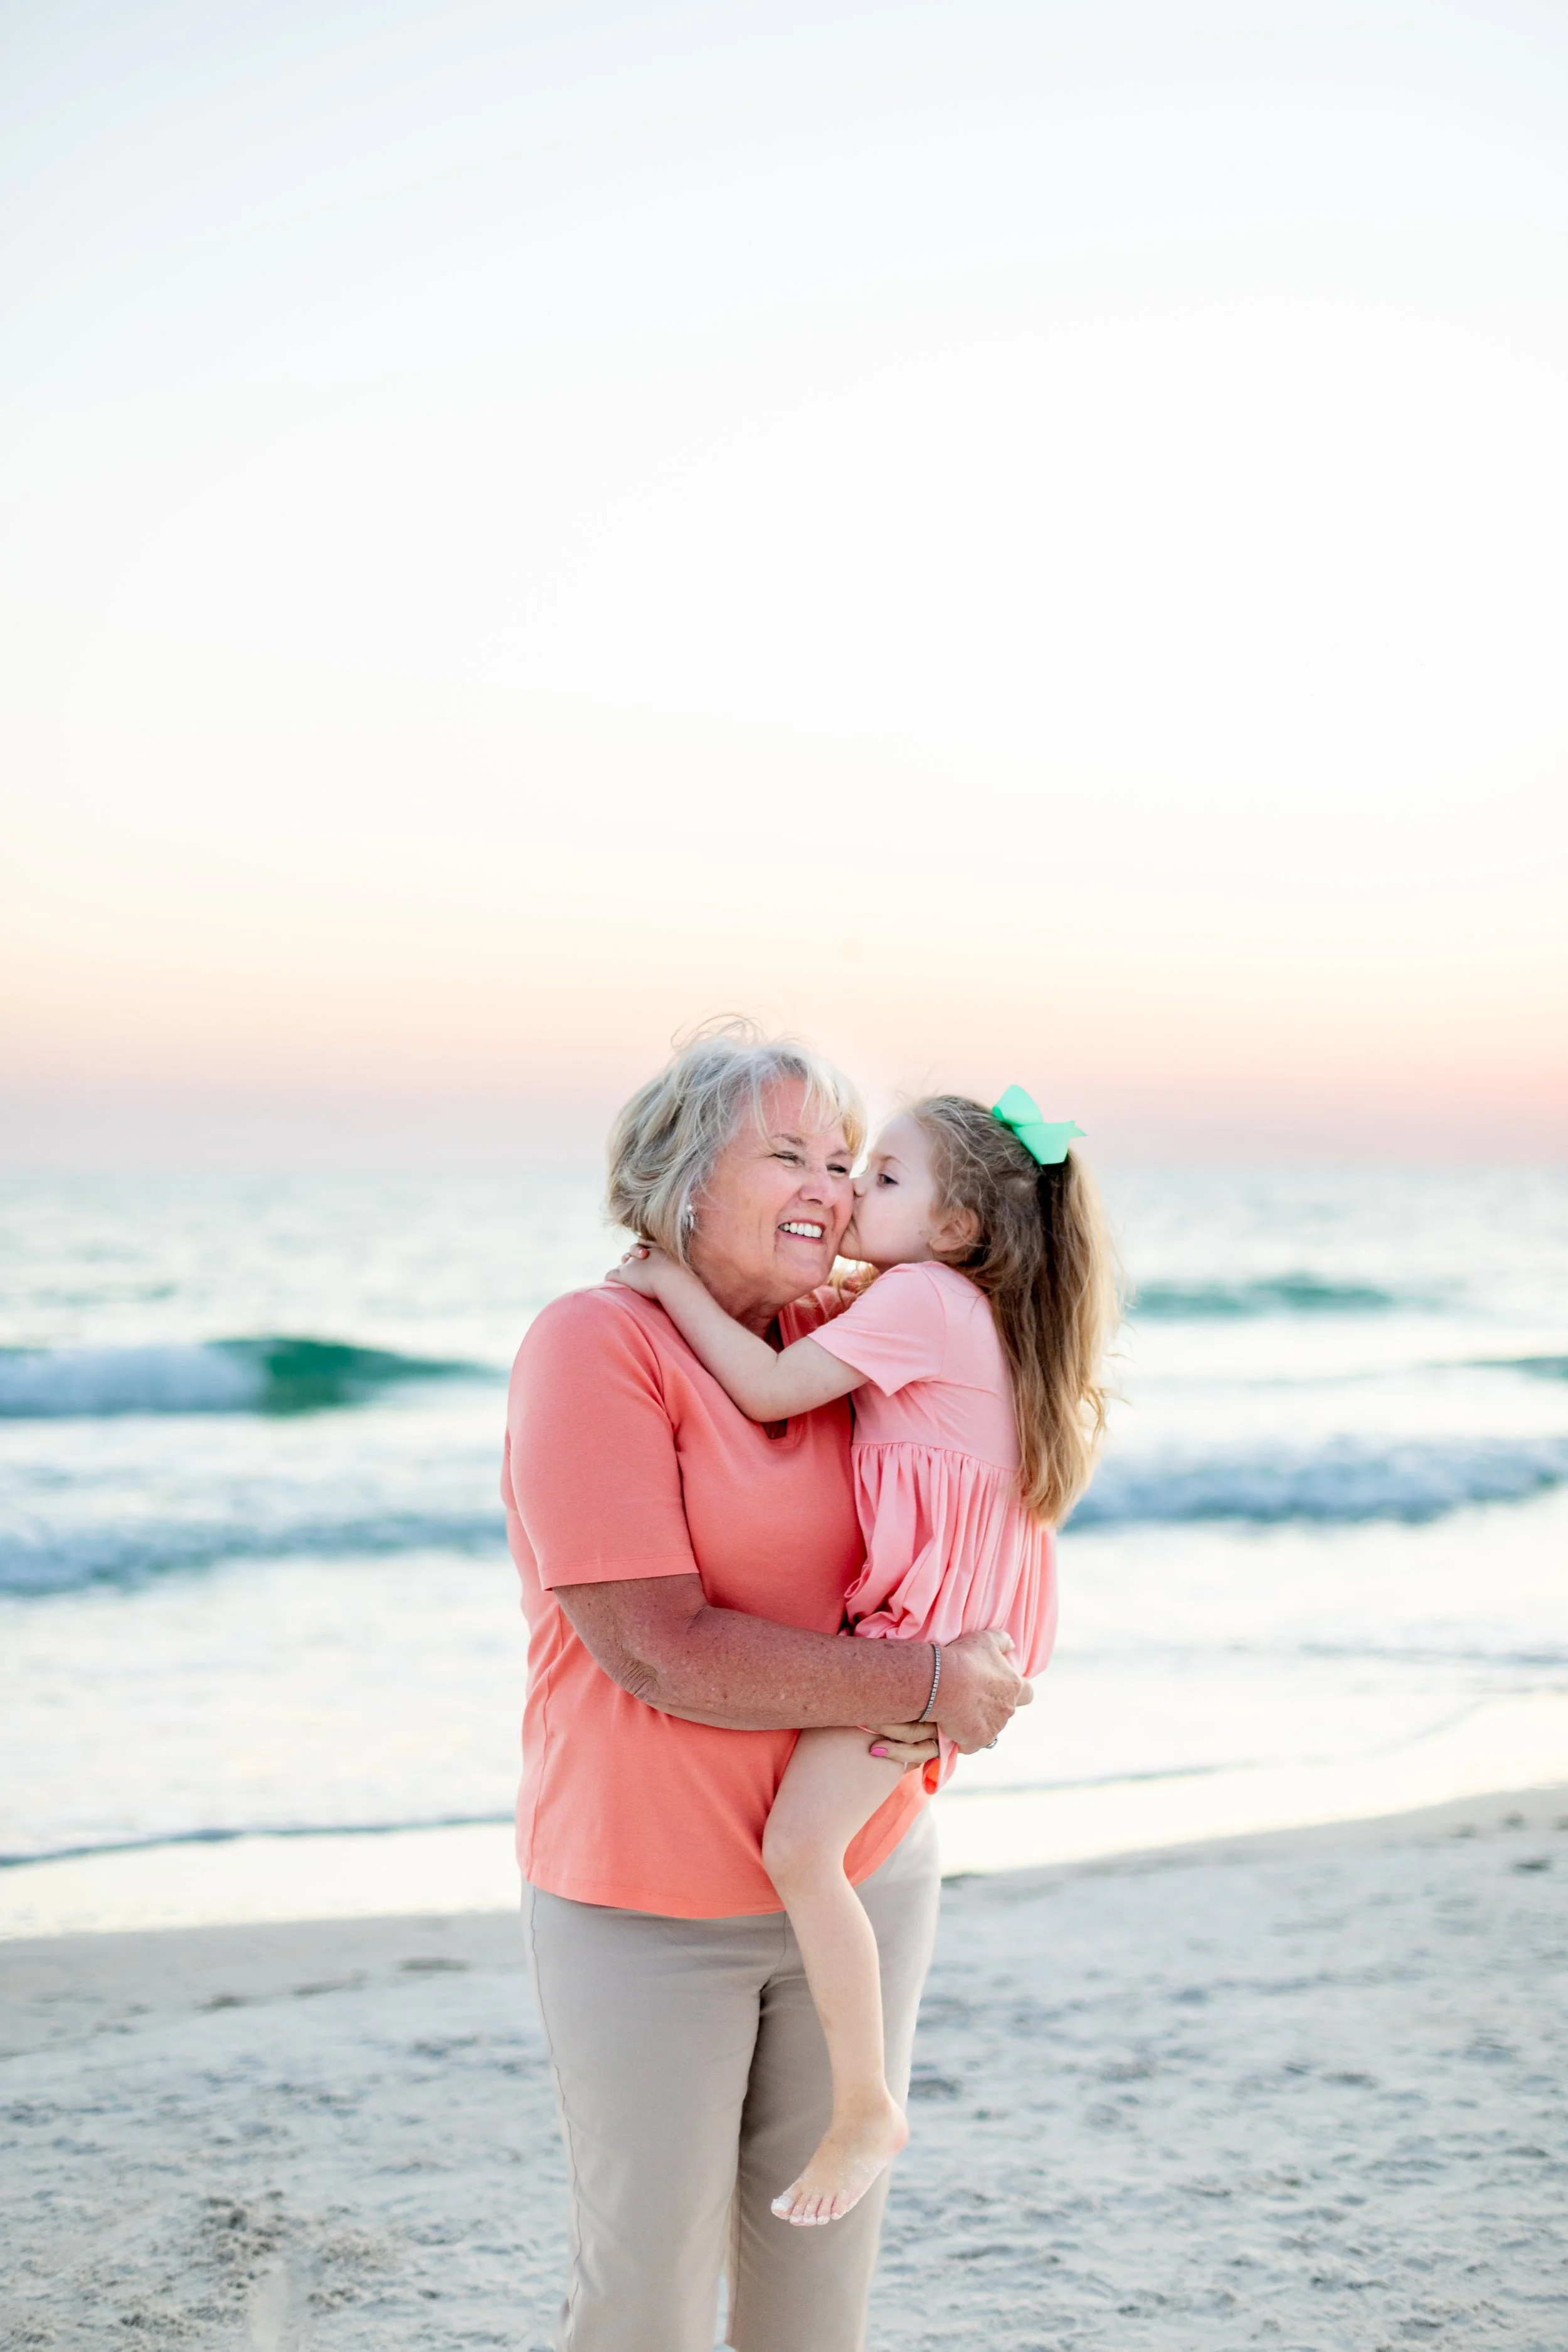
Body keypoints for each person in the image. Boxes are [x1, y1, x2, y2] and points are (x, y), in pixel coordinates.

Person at [502, 1025, 1031, 2352]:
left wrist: (991, 1662)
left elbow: (980, 1494)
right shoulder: (594, 1343)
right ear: (681, 1178)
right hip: (649, 1903)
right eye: (787, 1154)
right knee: (645, 2306)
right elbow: (656, 1644)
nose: (831, 1187)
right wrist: (922, 1678)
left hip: (863, 1869)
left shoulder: (853, 1329)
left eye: (846, 1161)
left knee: (815, 2300)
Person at [613, 1086, 1116, 2227]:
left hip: (933, 1626)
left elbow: (771, 1384)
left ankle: (866, 2103)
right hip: (965, 1608)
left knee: (802, 1846)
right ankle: (860, 2095)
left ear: (953, 1230)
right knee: (816, 1838)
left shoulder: (927, 1299)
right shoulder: (941, 1298)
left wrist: (666, 1282)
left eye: (880, 1177)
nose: (847, 1192)